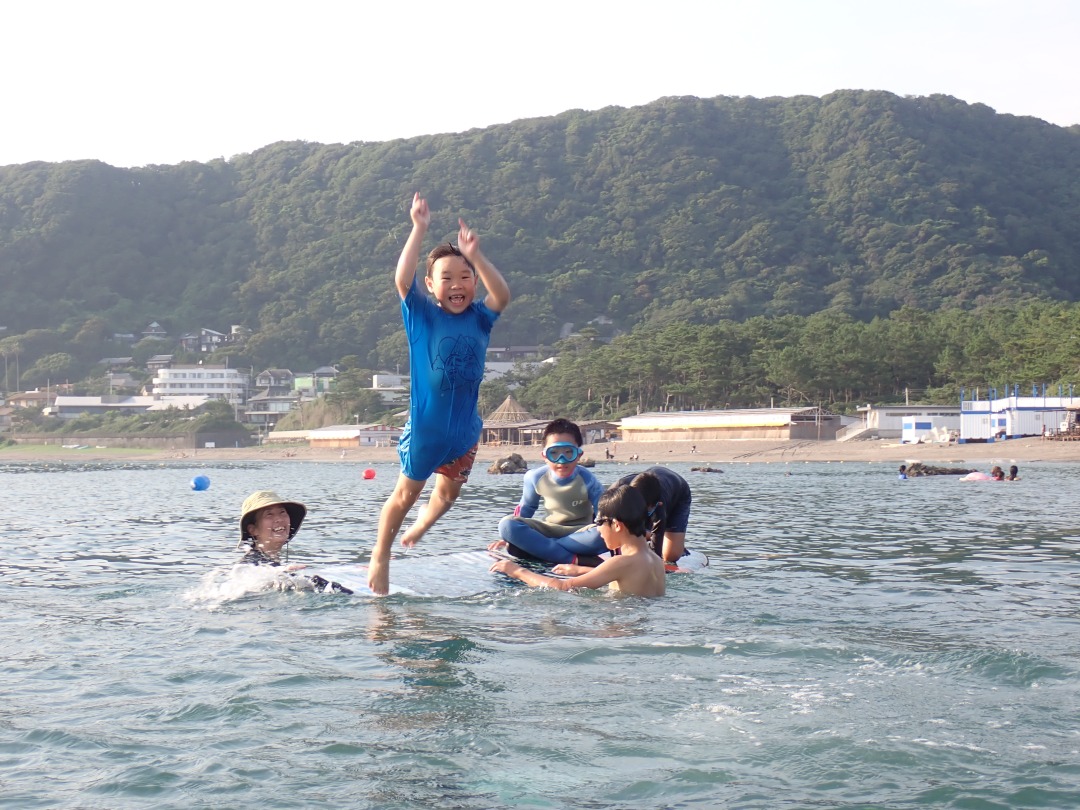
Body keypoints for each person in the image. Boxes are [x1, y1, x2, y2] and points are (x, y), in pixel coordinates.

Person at [369, 193, 511, 595]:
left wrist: (476, 256)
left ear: (474, 283)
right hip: (427, 431)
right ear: (431, 286)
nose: (457, 285)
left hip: (465, 432)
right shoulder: (422, 316)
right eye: (446, 278)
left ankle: (422, 526)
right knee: (405, 495)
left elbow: (502, 295)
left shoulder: (480, 318)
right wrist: (419, 228)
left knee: (448, 495)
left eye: (465, 277)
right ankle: (381, 555)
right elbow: (402, 280)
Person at [489, 484, 665, 597]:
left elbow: (562, 587)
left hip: (619, 630)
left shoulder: (621, 562)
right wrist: (580, 570)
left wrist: (517, 571)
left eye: (599, 522)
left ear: (617, 525)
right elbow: (624, 578)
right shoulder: (655, 560)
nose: (598, 530)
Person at [488, 418, 606, 565]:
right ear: (544, 456)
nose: (561, 460)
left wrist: (526, 542)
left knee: (603, 534)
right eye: (554, 453)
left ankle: (543, 550)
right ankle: (573, 558)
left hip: (580, 533)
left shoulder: (588, 479)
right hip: (549, 530)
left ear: (579, 455)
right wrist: (509, 536)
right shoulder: (535, 477)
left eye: (569, 452)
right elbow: (525, 509)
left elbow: (604, 514)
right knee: (506, 525)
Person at [614, 466, 692, 562]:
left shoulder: (659, 505)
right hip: (649, 482)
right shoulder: (618, 489)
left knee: (670, 556)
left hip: (679, 493)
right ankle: (647, 535)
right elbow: (602, 520)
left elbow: (656, 556)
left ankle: (674, 542)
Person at [238, 490, 307, 565]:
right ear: (253, 530)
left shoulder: (265, 562)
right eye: (269, 514)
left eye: (282, 512)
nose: (279, 519)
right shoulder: (251, 565)